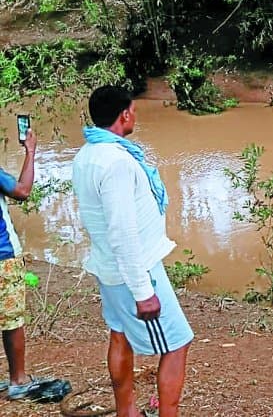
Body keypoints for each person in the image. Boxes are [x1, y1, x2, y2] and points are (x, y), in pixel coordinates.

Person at [72, 86, 193, 417]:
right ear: (124, 115)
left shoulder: (87, 155)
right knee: (177, 342)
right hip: (135, 271)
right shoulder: (117, 163)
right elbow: (122, 230)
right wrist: (143, 291)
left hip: (109, 267)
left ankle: (127, 411)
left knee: (121, 334)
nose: (135, 116)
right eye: (134, 111)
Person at [0, 125, 67, 401]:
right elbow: (23, 190)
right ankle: (18, 381)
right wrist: (30, 151)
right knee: (12, 319)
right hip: (3, 256)